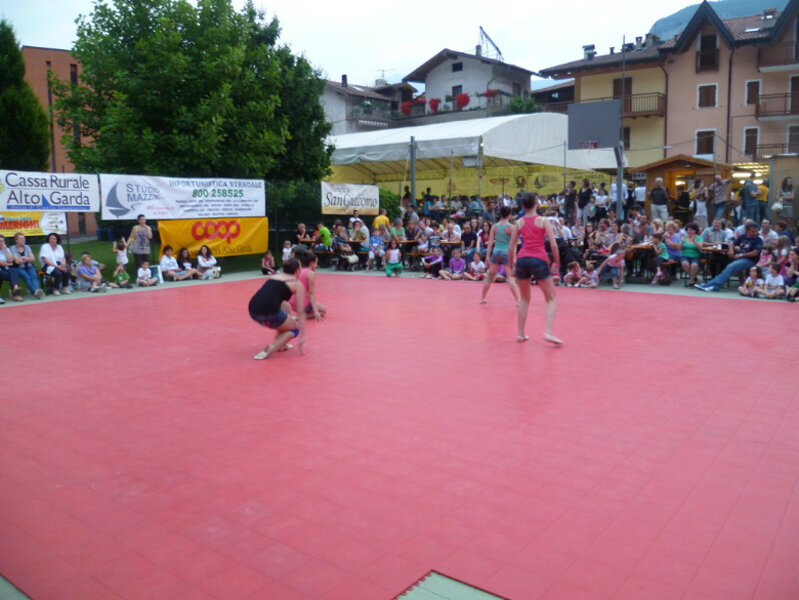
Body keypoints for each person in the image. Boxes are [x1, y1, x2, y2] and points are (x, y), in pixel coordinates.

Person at [509, 192, 561, 344]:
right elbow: (553, 245)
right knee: (551, 298)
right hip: (538, 259)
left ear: (523, 206)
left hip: (522, 260)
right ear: (536, 204)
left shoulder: (519, 222)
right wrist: (557, 263)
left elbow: (511, 247)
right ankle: (548, 332)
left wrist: (512, 266)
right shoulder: (544, 221)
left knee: (524, 298)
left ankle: (520, 334)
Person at [249, 257, 306, 360]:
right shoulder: (297, 284)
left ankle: (282, 344)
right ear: (298, 270)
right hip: (270, 313)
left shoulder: (275, 276)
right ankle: (272, 347)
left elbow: (271, 297)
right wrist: (303, 335)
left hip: (253, 309)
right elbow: (300, 311)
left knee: (286, 311)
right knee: (295, 328)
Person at [696, 223, 763, 292]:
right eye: (752, 231)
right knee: (727, 267)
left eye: (756, 231)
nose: (755, 233)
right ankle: (712, 285)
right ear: (747, 230)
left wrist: (741, 255)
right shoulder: (743, 236)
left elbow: (755, 253)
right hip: (739, 258)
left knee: (730, 267)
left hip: (750, 260)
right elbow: (732, 243)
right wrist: (731, 250)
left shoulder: (758, 240)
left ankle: (711, 285)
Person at [480, 206, 520, 304]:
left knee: (490, 277)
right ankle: (518, 301)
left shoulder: (494, 227)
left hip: (496, 252)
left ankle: (482, 298)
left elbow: (490, 244)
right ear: (510, 215)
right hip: (507, 253)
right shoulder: (512, 227)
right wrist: (514, 258)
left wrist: (487, 257)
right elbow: (514, 244)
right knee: (511, 278)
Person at [289, 251, 326, 321]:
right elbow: (311, 293)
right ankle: (299, 316)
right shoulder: (311, 273)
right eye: (316, 263)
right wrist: (316, 311)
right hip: (301, 303)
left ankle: (300, 313)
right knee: (323, 311)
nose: (317, 265)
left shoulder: (298, 270)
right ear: (312, 263)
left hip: (291, 302)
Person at [8, 233, 44, 299]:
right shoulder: (12, 248)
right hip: (19, 267)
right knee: (27, 277)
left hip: (30, 266)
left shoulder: (27, 247)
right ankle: (35, 291)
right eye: (21, 239)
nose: (23, 240)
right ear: (16, 240)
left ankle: (36, 291)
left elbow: (33, 258)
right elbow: (17, 261)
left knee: (34, 276)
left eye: (24, 238)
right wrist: (27, 258)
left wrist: (24, 258)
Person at [0, 237, 24, 302]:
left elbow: (10, 260)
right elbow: (1, 263)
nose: (1, 243)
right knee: (13, 275)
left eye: (3, 241)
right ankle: (16, 294)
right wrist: (8, 264)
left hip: (6, 269)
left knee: (14, 270)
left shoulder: (7, 249)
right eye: (0, 241)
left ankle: (15, 288)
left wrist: (5, 250)